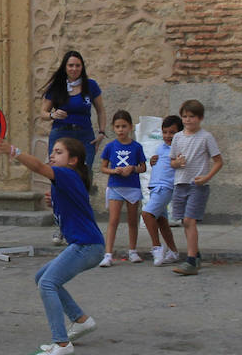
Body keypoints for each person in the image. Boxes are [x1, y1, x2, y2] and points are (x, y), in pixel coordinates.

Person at [0, 136, 102, 355]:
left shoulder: (67, 174)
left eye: (59, 152)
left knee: (47, 283)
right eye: (53, 151)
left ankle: (61, 343)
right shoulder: (67, 179)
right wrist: (57, 202)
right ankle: (80, 320)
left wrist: (13, 150)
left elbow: (40, 167)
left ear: (73, 160)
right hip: (86, 244)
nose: (53, 155)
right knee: (42, 276)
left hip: (87, 245)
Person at [38, 50, 107, 245]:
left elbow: (101, 110)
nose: (74, 69)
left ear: (82, 67)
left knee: (83, 179)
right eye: (71, 65)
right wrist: (52, 115)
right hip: (61, 134)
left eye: (78, 65)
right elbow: (43, 112)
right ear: (65, 67)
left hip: (84, 136)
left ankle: (82, 225)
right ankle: (61, 227)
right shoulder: (57, 87)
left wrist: (101, 132)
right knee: (58, 179)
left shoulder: (90, 86)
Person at [168, 100, 224, 276]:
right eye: (184, 116)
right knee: (184, 221)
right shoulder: (177, 137)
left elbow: (218, 161)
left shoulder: (206, 137)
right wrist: (177, 162)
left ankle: (191, 260)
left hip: (197, 185)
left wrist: (206, 177)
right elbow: (171, 162)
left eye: (191, 116)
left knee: (189, 220)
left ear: (200, 118)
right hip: (181, 183)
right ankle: (196, 254)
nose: (187, 120)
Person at [98, 110, 148, 266]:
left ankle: (132, 251)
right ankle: (108, 254)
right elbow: (103, 167)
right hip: (115, 186)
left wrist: (132, 169)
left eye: (124, 126)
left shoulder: (137, 147)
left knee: (132, 220)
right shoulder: (110, 146)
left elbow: (143, 167)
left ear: (130, 127)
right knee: (113, 220)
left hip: (132, 187)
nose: (121, 130)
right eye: (118, 126)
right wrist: (115, 171)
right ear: (113, 128)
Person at [142, 115, 182, 266]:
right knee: (162, 221)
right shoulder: (161, 147)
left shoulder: (179, 148)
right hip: (155, 186)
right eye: (165, 132)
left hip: (165, 187)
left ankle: (157, 247)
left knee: (147, 214)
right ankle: (173, 251)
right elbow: (161, 162)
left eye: (172, 132)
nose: (167, 136)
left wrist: (178, 162)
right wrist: (153, 160)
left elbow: (180, 163)